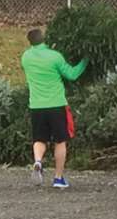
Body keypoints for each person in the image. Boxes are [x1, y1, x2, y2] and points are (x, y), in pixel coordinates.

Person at [21, 29, 88, 189]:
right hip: (56, 104)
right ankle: (58, 178)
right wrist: (85, 60)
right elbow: (72, 74)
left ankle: (38, 161)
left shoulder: (26, 57)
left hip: (36, 105)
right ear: (44, 39)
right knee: (60, 141)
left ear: (30, 42)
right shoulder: (55, 56)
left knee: (39, 139)